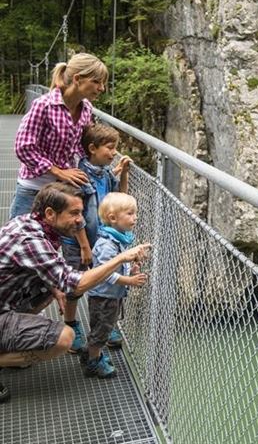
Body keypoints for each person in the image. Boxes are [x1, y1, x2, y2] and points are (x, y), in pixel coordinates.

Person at [0, 183, 150, 402]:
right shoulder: (31, 240)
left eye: (81, 212)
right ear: (50, 214)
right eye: (74, 213)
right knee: (64, 339)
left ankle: (11, 343)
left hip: (8, 298)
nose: (81, 219)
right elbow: (74, 284)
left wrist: (55, 289)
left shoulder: (31, 224)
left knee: (55, 289)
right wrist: (122, 258)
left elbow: (48, 272)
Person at [10, 52, 108, 220]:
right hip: (34, 188)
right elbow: (23, 147)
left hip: (63, 191)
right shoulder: (44, 105)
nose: (102, 88)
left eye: (103, 83)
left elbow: (80, 147)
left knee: (51, 245)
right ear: (77, 79)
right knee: (20, 242)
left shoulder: (86, 109)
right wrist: (59, 172)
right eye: (96, 81)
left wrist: (103, 166)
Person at [61, 124, 131, 353]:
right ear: (92, 148)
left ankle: (103, 326)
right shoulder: (79, 176)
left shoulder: (104, 172)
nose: (114, 154)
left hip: (101, 241)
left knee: (102, 281)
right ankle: (71, 325)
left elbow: (118, 198)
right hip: (78, 242)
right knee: (76, 284)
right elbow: (76, 214)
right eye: (110, 149)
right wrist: (83, 245)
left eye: (115, 149)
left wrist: (123, 173)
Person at [83, 193, 147, 379]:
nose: (135, 217)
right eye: (130, 213)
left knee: (104, 327)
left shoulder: (117, 239)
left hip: (111, 295)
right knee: (102, 329)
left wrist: (131, 270)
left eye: (135, 213)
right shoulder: (107, 244)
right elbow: (106, 272)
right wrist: (129, 281)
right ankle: (93, 362)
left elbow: (118, 264)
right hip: (104, 296)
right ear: (113, 218)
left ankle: (92, 354)